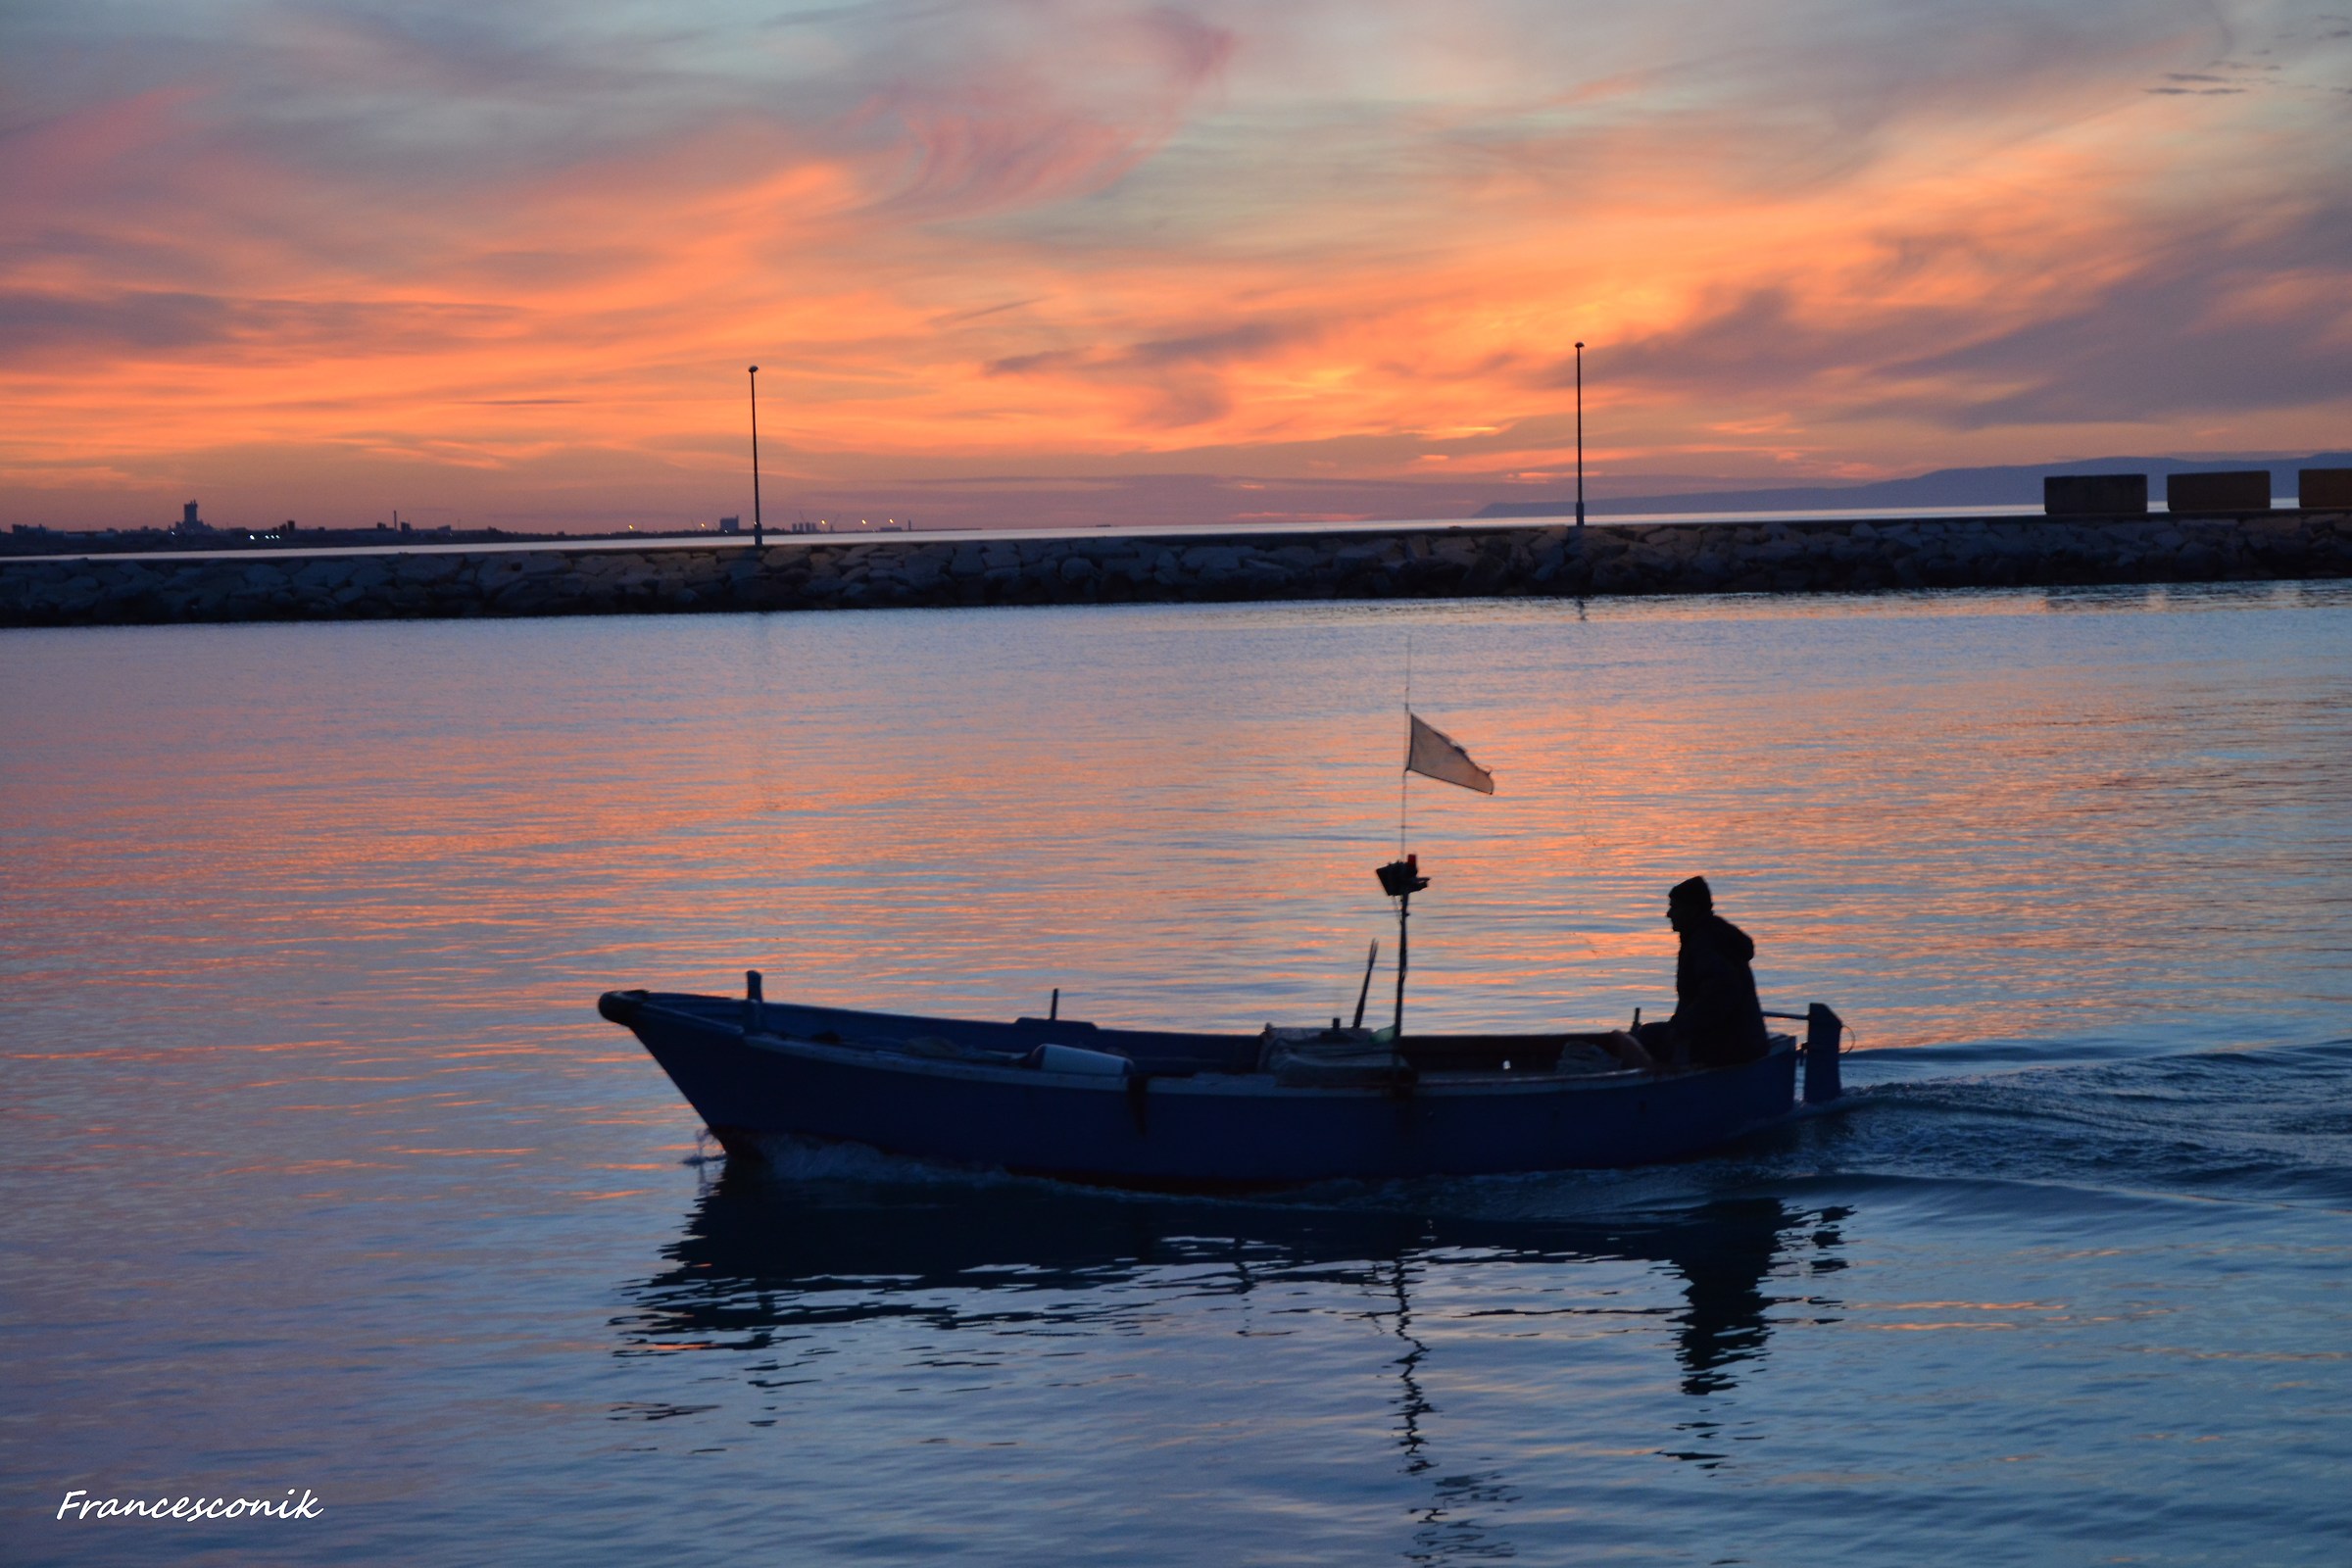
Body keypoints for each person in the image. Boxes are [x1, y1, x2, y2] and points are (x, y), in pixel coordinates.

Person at [1608, 876, 1771, 1071]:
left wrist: (1679, 1028)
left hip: (1730, 1046)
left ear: (1692, 910)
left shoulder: (1705, 943)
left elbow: (1720, 994)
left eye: (1674, 907)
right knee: (1648, 1034)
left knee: (1643, 1039)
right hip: (1738, 1039)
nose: (1668, 914)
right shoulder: (1707, 936)